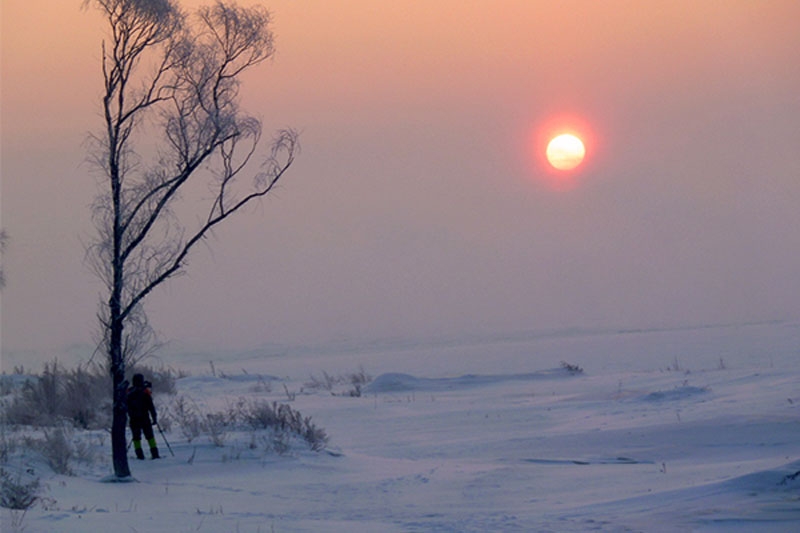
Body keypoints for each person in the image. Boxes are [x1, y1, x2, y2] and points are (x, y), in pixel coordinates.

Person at [127, 373, 160, 459]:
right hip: (145, 418)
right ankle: (155, 453)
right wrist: (154, 417)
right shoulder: (145, 392)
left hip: (133, 419)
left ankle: (139, 455)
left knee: (136, 438)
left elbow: (126, 406)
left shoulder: (129, 392)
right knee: (150, 436)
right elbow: (151, 407)